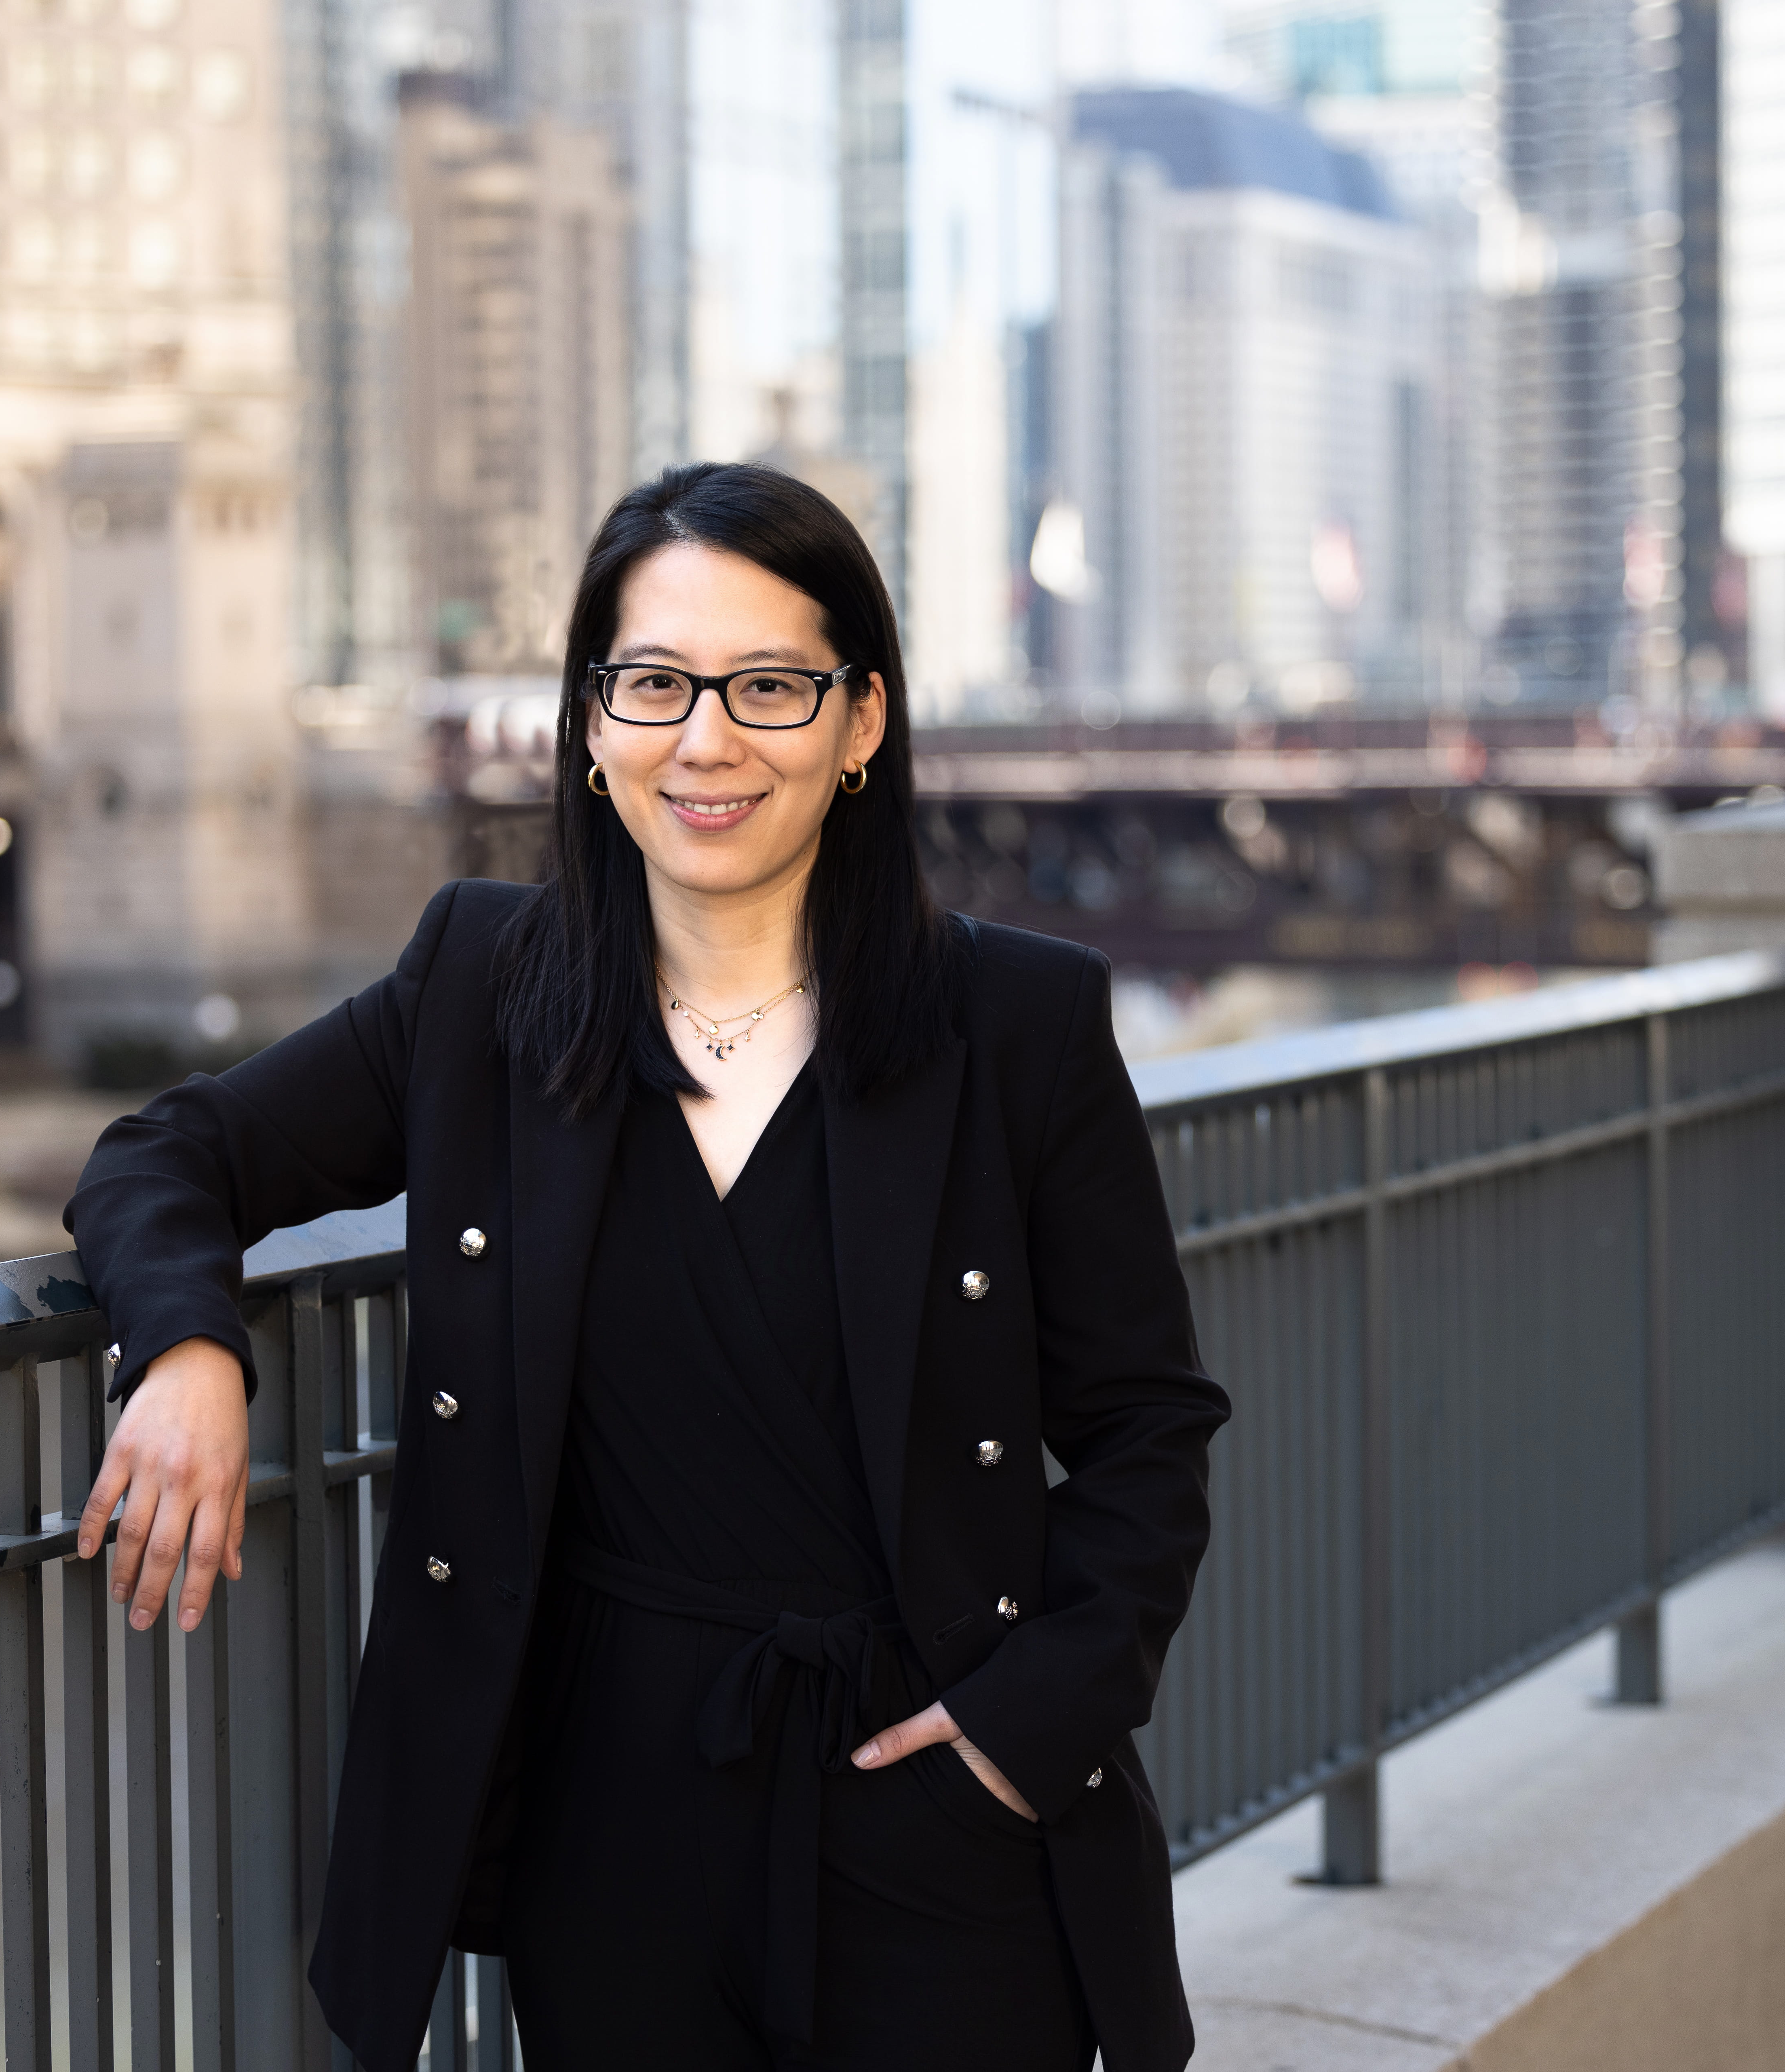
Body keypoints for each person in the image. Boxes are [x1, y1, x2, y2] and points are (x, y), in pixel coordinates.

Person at [63, 462, 1228, 2072]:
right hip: (605, 1835)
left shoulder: (1012, 1027)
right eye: (655, 683)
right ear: (591, 727)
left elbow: (1147, 1428)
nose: (707, 738)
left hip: (936, 1812)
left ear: (861, 721)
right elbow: (165, 1157)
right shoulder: (483, 988)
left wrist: (1024, 1736)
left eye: (769, 685)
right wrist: (188, 1353)